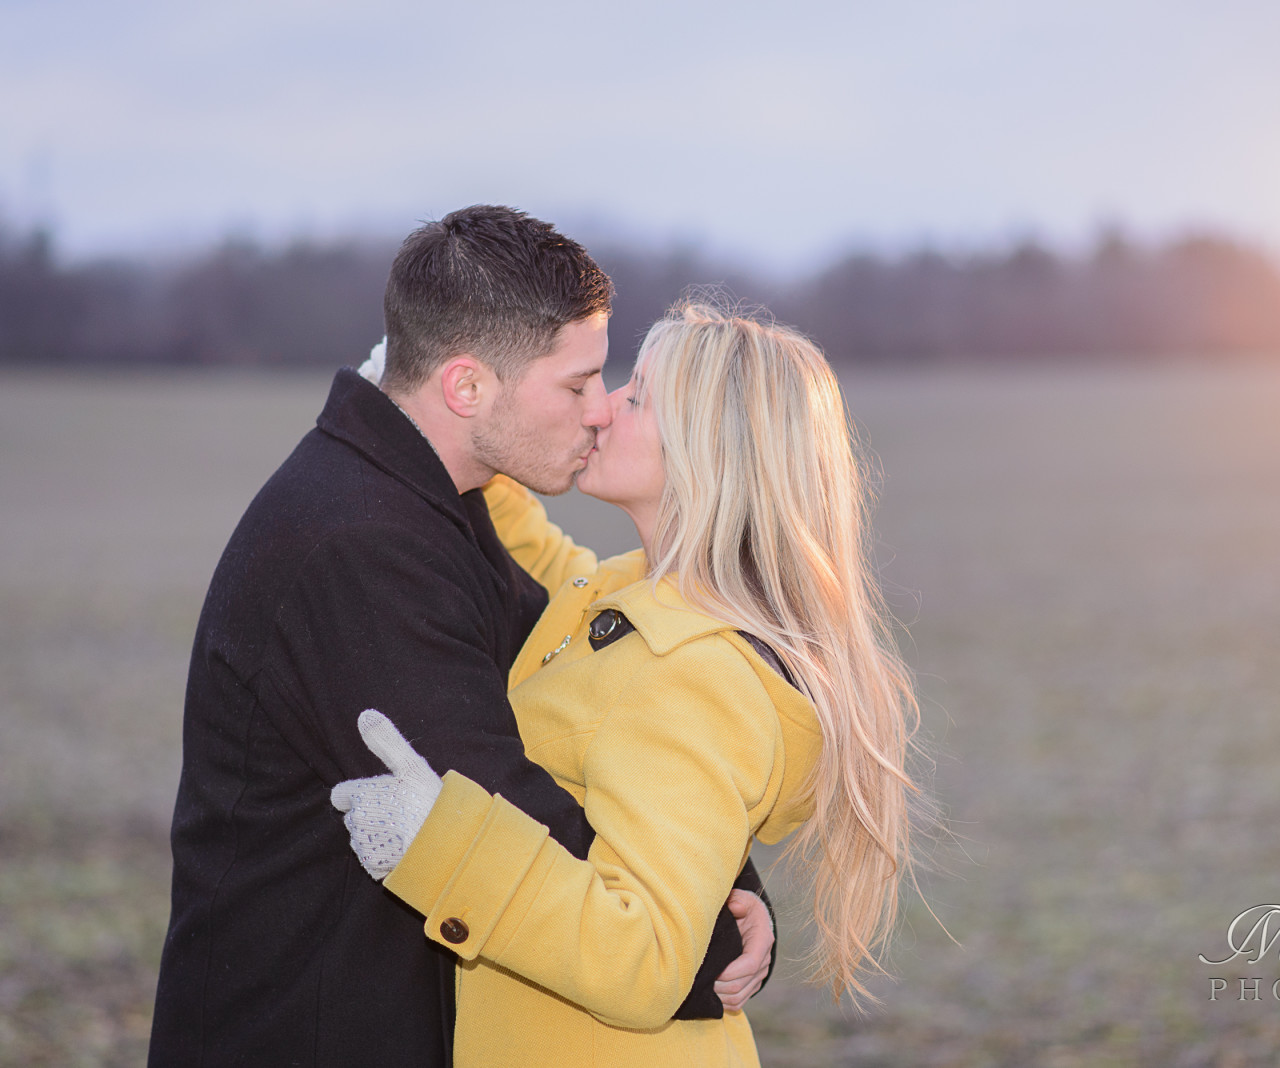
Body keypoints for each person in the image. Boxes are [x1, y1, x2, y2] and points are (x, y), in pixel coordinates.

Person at [149, 208, 771, 1067]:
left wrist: (715, 874)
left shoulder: (428, 508)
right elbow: (500, 796)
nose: (598, 412)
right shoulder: (357, 546)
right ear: (467, 387)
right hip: (305, 1031)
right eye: (577, 384)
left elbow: (569, 695)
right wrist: (702, 937)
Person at [333, 302, 922, 1066]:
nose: (603, 409)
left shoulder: (695, 675)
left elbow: (644, 955)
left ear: (709, 453)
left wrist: (440, 845)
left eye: (638, 398)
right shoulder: (633, 596)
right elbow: (545, 565)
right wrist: (428, 411)